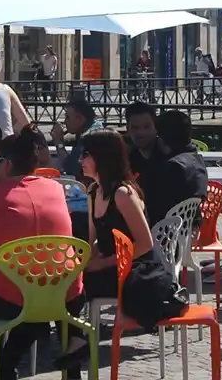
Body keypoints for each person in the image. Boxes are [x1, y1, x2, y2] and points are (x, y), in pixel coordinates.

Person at [0, 127, 81, 380]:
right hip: (64, 289)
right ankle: (6, 367)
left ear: (5, 164)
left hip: (16, 293)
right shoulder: (55, 189)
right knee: (33, 303)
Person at [55, 129, 179, 371]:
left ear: (103, 157)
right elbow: (92, 242)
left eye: (85, 154)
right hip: (113, 265)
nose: (80, 160)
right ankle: (76, 346)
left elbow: (144, 243)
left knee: (72, 288)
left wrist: (101, 263)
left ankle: (77, 344)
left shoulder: (123, 194)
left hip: (137, 269)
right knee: (60, 282)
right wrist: (80, 262)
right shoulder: (93, 192)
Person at [144, 109, 209, 226]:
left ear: (162, 138)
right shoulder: (197, 161)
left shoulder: (172, 168)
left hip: (164, 235)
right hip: (189, 230)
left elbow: (154, 207)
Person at [52, 97, 106, 179]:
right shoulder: (89, 129)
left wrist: (59, 142)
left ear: (80, 118)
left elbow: (72, 169)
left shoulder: (89, 137)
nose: (65, 122)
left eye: (68, 117)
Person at [124, 101, 165, 185]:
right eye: (135, 128)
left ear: (156, 127)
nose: (141, 133)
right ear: (127, 129)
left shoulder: (168, 158)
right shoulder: (126, 160)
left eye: (147, 127)